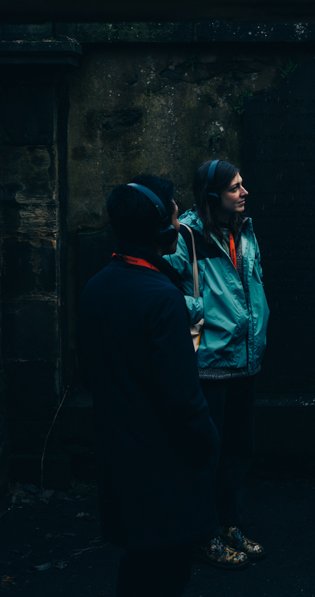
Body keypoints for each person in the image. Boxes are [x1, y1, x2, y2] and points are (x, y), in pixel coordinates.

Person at [79, 175, 220, 596]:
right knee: (165, 573)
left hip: (118, 455)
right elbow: (181, 397)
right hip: (164, 466)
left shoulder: (97, 286)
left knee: (137, 567)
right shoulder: (161, 297)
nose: (179, 221)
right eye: (175, 212)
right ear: (160, 225)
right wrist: (209, 441)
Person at [165, 159, 270, 570]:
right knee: (206, 454)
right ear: (213, 195)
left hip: (245, 362)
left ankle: (229, 524)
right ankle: (202, 533)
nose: (244, 193)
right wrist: (196, 312)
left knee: (238, 451)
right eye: (235, 188)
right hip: (210, 365)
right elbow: (163, 287)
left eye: (243, 185)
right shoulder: (186, 236)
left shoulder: (244, 230)